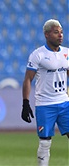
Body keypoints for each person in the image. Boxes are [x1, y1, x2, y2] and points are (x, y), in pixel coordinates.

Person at [21, 19, 69, 166]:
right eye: (56, 32)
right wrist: (26, 103)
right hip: (45, 105)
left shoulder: (67, 53)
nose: (60, 35)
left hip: (64, 102)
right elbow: (28, 79)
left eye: (61, 32)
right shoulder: (38, 55)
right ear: (47, 34)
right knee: (45, 142)